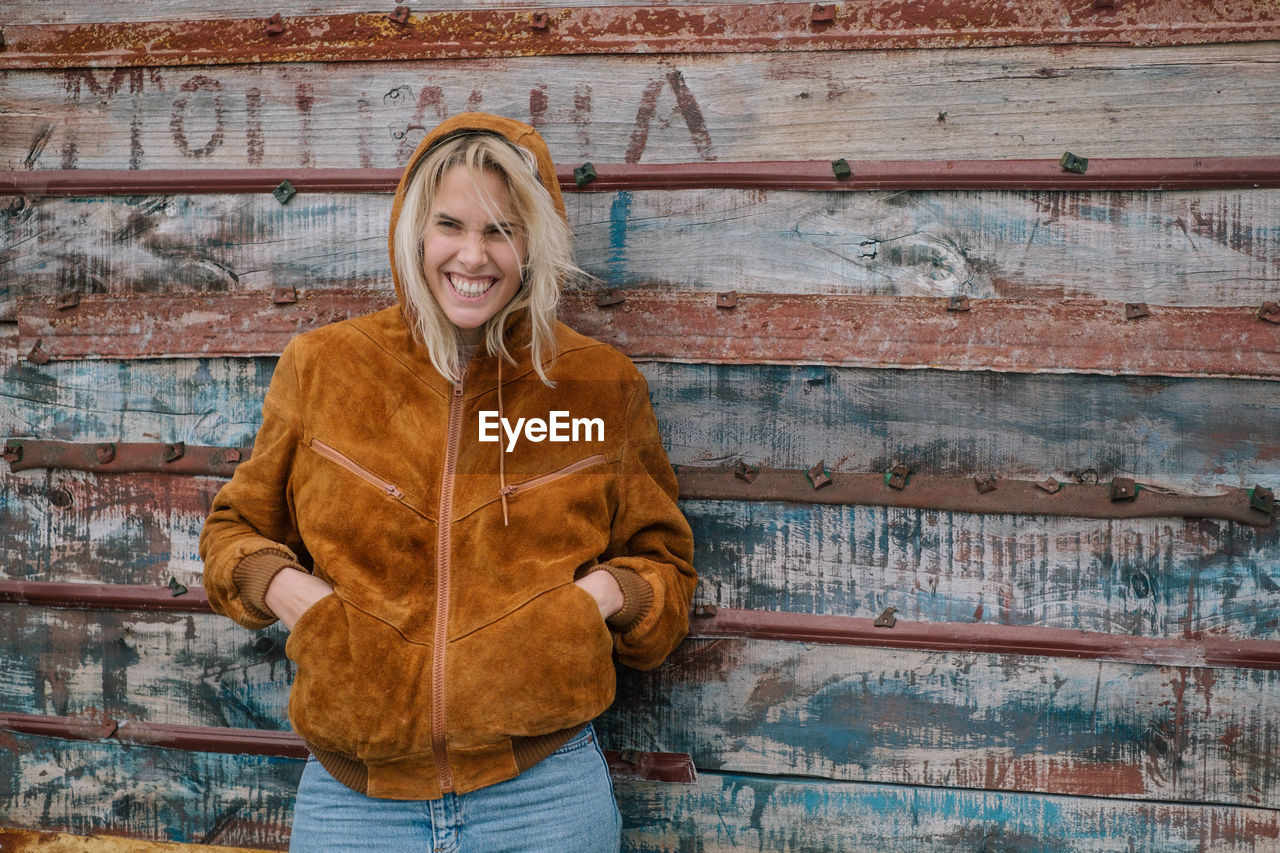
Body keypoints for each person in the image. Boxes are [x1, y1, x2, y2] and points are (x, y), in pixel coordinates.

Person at [200, 112, 697, 852]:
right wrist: (301, 600)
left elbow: (665, 568)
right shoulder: (325, 368)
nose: (473, 254)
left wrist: (594, 599)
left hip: (544, 797)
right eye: (450, 225)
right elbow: (231, 532)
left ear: (534, 241)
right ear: (413, 231)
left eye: (500, 228)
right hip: (355, 803)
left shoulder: (594, 386)